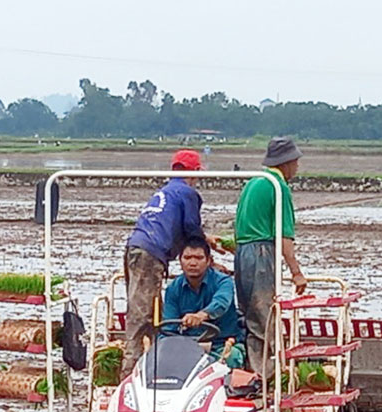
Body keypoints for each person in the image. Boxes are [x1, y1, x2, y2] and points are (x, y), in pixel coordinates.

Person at [122, 149, 221, 375]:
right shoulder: (188, 193)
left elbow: (183, 228)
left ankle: (151, 365)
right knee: (143, 314)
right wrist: (209, 261)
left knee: (149, 310)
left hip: (135, 248)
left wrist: (206, 239)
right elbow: (191, 231)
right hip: (151, 253)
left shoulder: (166, 191)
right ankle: (130, 373)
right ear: (194, 173)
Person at [233, 136, 307, 375]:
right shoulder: (278, 186)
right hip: (261, 253)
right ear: (287, 162)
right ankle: (266, 377)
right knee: (265, 316)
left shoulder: (256, 182)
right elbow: (284, 237)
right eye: (295, 162)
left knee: (248, 315)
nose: (297, 167)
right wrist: (296, 273)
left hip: (243, 253)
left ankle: (250, 370)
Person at [163, 236, 246, 369]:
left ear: (208, 261)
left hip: (220, 345)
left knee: (233, 357)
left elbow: (221, 303)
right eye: (187, 258)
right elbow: (168, 327)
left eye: (199, 258)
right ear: (180, 261)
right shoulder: (173, 289)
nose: (193, 263)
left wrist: (201, 316)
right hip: (187, 347)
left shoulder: (224, 281)